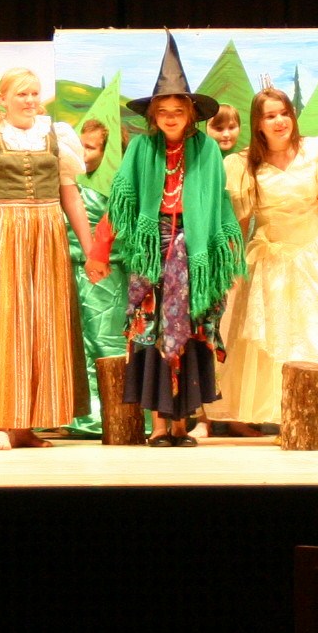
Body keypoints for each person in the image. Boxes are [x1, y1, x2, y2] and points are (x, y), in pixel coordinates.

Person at [88, 35, 246, 446]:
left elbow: (220, 206)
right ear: (153, 116)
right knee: (152, 332)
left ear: (190, 113)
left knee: (190, 332)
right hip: (152, 249)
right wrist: (99, 251)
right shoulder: (141, 149)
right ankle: (159, 425)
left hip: (195, 250)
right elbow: (121, 203)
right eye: (163, 112)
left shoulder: (207, 150)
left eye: (178, 111)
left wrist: (225, 257)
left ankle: (182, 423)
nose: (171, 118)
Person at [0, 67, 94, 449]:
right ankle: (1, 423)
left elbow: (71, 196)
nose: (30, 101)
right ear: (3, 99)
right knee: (3, 325)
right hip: (2, 232)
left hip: (48, 235)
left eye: (34, 93)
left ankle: (27, 425)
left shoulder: (56, 135)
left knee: (44, 325)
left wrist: (91, 249)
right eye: (22, 94)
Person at [218, 87, 318, 433]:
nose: (279, 121)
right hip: (270, 261)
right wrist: (231, 263)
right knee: (275, 337)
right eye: (270, 116)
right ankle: (286, 416)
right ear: (258, 124)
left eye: (284, 113)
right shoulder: (244, 165)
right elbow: (241, 220)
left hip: (313, 256)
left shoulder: (315, 152)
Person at [63, 116, 124, 437]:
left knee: (105, 339)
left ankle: (113, 413)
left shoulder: (115, 188)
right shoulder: (69, 182)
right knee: (76, 343)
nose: (83, 154)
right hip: (70, 271)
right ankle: (77, 414)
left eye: (90, 148)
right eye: (80, 146)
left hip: (106, 275)